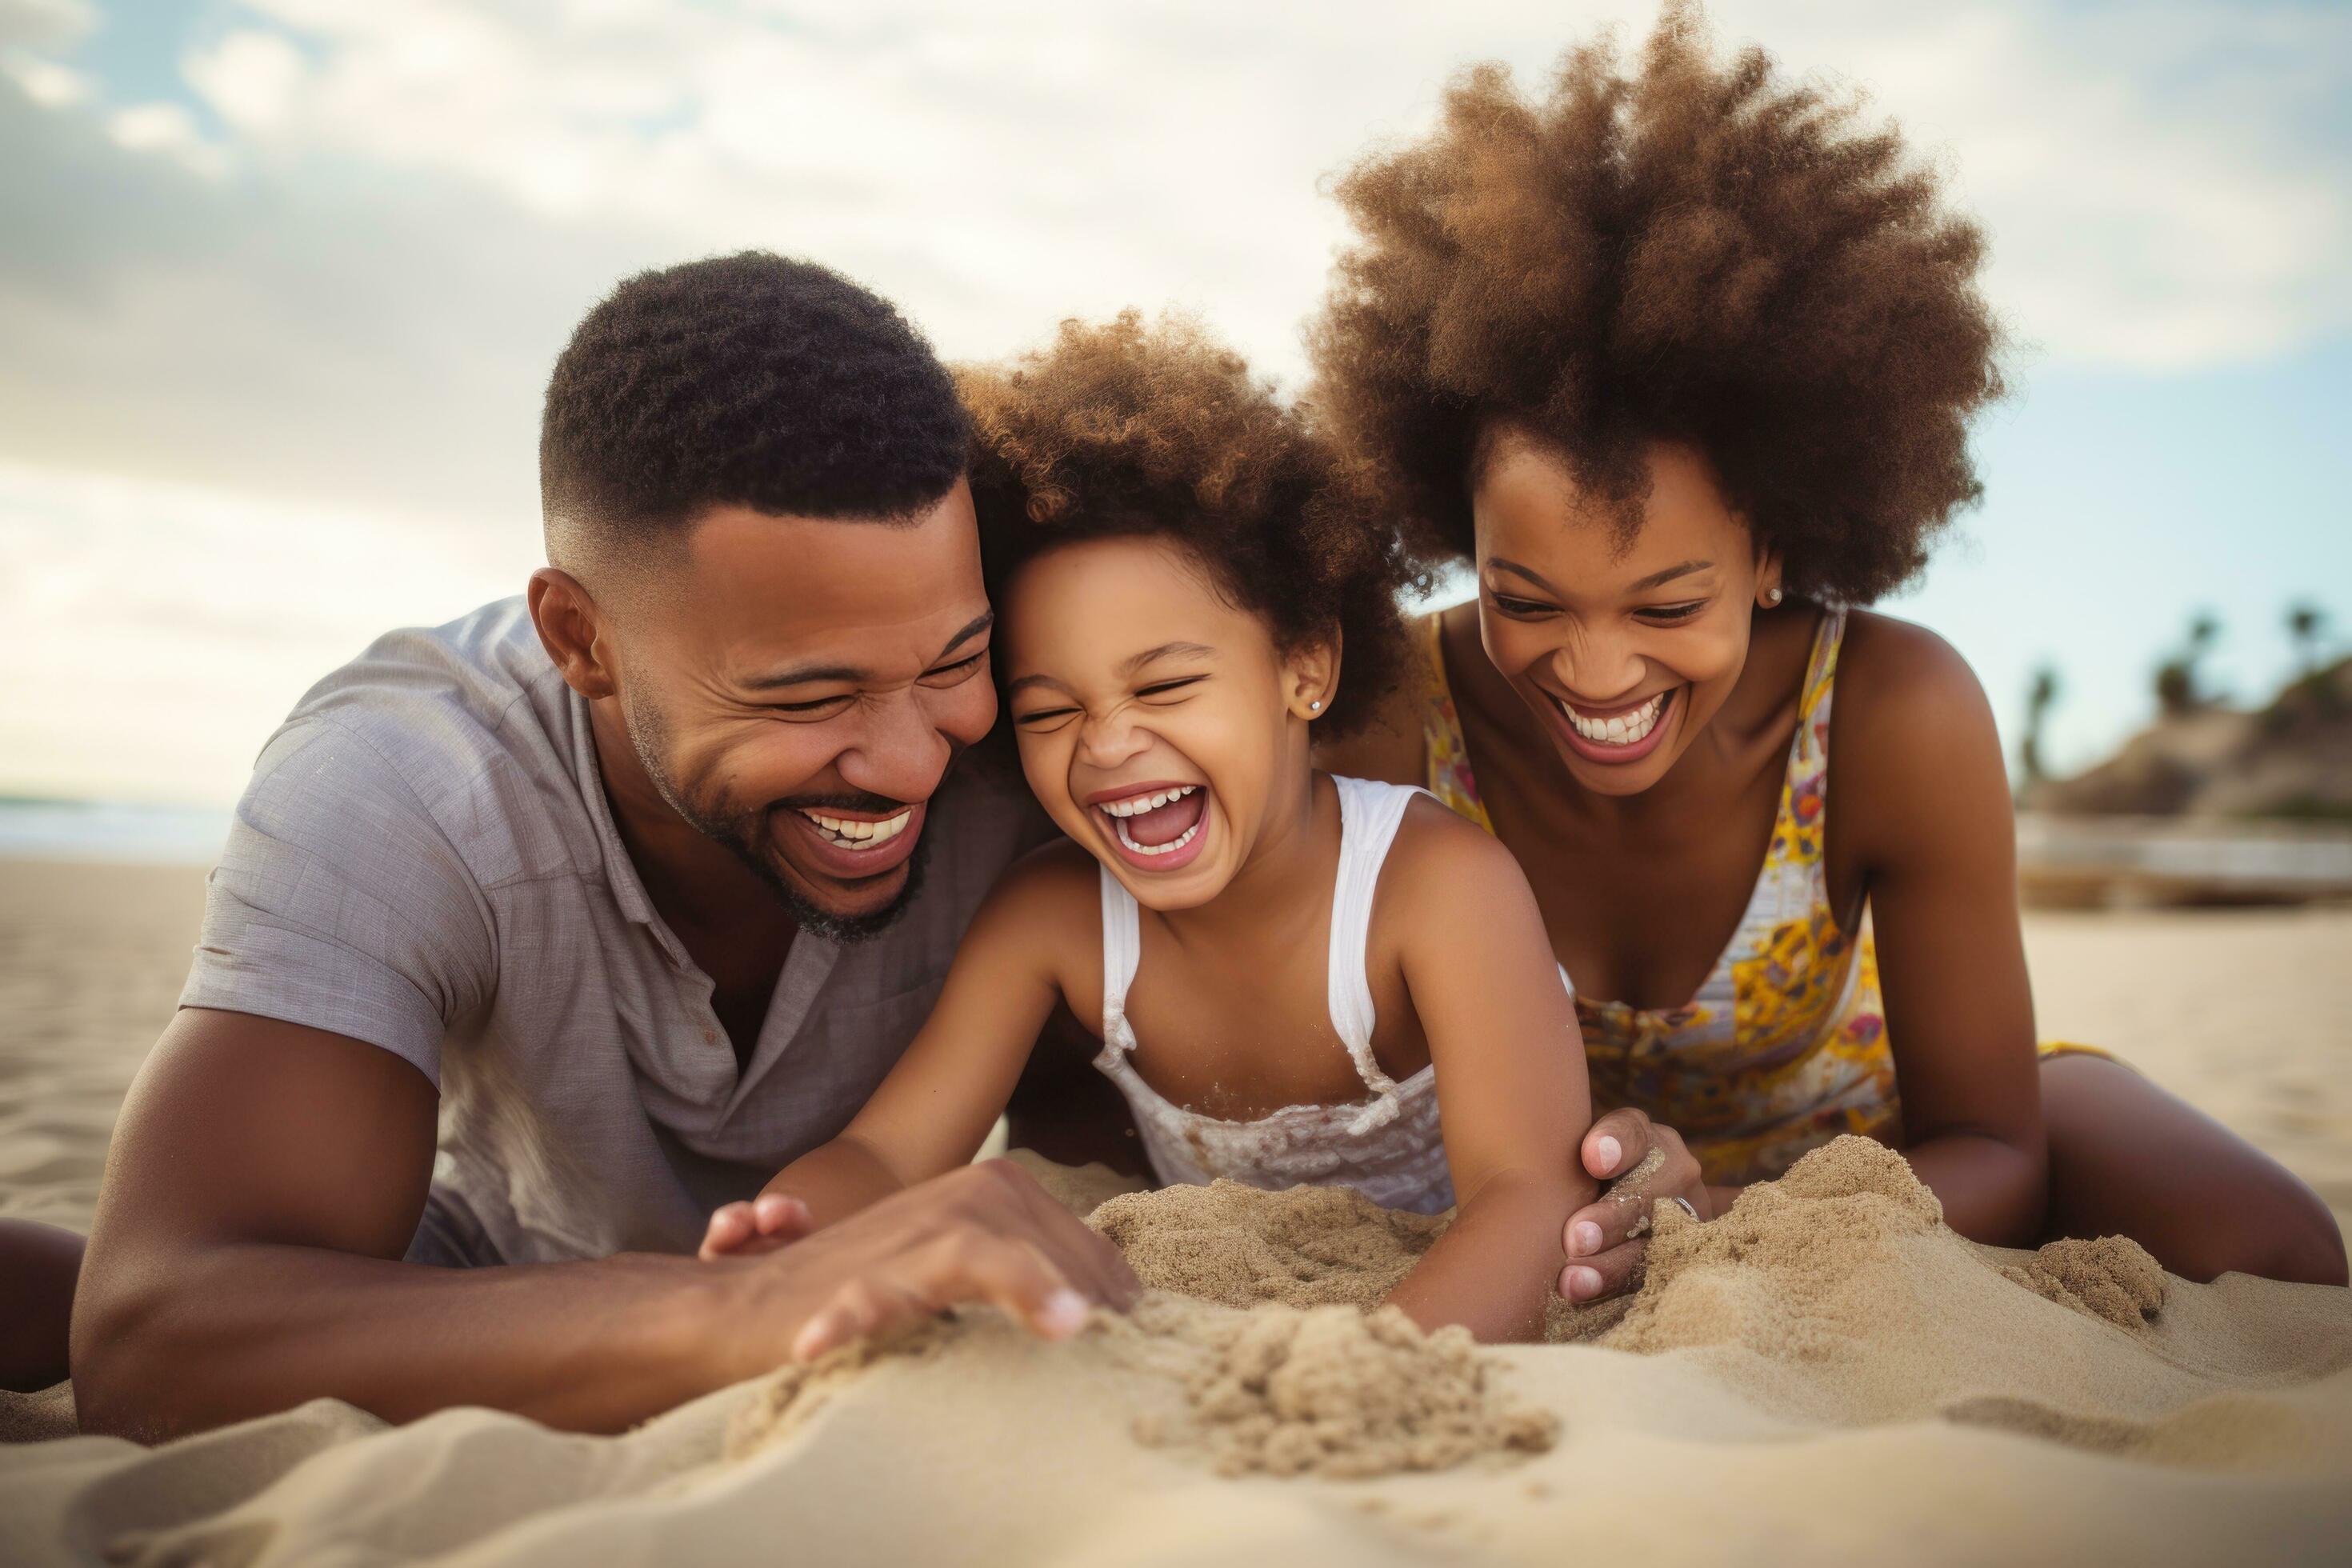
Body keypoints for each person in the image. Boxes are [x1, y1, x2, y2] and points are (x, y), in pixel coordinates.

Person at [1308, 9, 2346, 1300]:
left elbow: (1993, 1147)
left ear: (1773, 551)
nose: (1594, 669)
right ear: (1455, 536)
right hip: (1564, 1187)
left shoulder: (1891, 713)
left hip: (1886, 1146)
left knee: (2283, 1256)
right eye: (1528, 599)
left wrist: (1722, 1211)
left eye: (1665, 605)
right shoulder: (1393, 714)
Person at [43, 252, 1141, 1442]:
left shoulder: (1055, 709)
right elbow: (150, 1345)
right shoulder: (402, 787)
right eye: (807, 695)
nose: (914, 760)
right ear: (582, 639)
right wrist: (747, 1308)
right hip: (474, 1281)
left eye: (949, 663)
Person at [703, 314, 1592, 1342]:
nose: (1110, 744)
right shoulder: (1056, 918)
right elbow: (891, 1156)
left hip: (1445, 1323)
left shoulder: (1433, 886)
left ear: (1305, 667)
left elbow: (1528, 1195)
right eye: (1048, 711)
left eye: (1165, 684)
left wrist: (1357, 1372)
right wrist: (791, 1236)